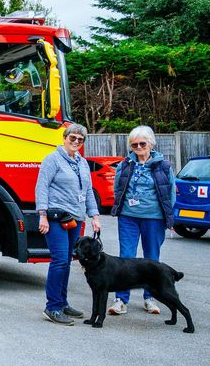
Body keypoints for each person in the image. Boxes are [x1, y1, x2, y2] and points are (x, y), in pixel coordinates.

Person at [35, 123, 101, 326]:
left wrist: (94, 216)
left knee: (67, 261)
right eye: (72, 138)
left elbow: (88, 191)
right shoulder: (52, 159)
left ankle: (62, 303)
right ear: (64, 138)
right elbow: (42, 186)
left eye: (80, 140)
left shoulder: (81, 162)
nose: (76, 142)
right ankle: (52, 307)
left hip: (76, 218)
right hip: (56, 218)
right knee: (59, 261)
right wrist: (42, 215)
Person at [108, 125, 176, 316]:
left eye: (142, 143)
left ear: (150, 144)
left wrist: (168, 218)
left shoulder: (164, 166)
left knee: (152, 258)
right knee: (126, 258)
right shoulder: (125, 164)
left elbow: (170, 194)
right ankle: (121, 299)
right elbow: (117, 189)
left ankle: (150, 297)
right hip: (128, 217)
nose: (138, 147)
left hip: (154, 218)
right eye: (134, 144)